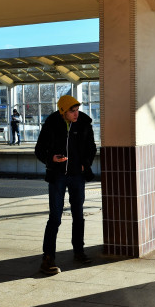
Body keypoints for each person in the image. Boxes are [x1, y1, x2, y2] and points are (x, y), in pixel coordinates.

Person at [35, 95, 97, 275]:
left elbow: (91, 147)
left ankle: (79, 251)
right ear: (63, 111)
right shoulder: (52, 123)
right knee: (55, 217)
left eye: (77, 110)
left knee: (78, 215)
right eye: (72, 111)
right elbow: (39, 149)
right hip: (58, 176)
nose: (76, 113)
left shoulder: (84, 122)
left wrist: (85, 163)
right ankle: (48, 258)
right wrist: (51, 159)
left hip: (77, 176)